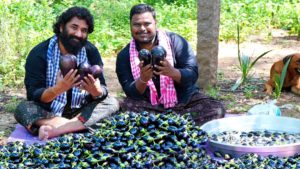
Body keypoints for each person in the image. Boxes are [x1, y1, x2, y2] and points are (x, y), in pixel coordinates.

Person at [14, 6, 119, 140]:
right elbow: (34, 95)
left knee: (112, 103)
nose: (78, 34)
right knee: (22, 108)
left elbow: (102, 91)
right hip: (49, 111)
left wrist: (96, 90)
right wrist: (58, 89)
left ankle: (55, 129)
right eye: (74, 27)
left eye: (84, 30)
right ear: (62, 27)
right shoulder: (39, 54)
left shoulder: (91, 52)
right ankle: (76, 126)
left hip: (81, 110)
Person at [116, 3, 225, 125]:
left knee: (215, 108)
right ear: (130, 26)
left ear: (155, 23)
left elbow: (192, 75)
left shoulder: (176, 42)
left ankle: (161, 126)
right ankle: (178, 126)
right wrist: (143, 79)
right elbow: (130, 92)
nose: (142, 28)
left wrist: (172, 72)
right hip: (149, 108)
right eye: (137, 24)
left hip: (183, 103)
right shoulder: (124, 56)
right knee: (124, 107)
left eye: (147, 24)